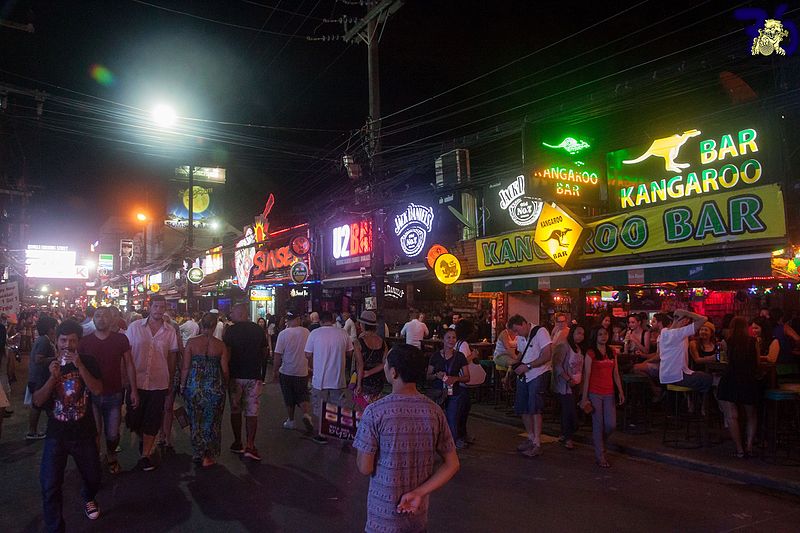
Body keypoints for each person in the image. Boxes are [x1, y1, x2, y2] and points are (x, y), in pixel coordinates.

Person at [354, 343, 459, 533]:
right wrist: (419, 492)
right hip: (417, 517)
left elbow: (364, 467)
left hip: (383, 519)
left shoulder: (375, 412)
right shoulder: (434, 411)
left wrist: (362, 437)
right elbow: (452, 464)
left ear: (393, 373)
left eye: (386, 363)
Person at [33, 320, 104, 530]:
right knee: (49, 485)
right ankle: (55, 528)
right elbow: (37, 401)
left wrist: (80, 366)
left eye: (72, 341)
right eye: (63, 340)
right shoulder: (48, 365)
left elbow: (98, 390)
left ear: (79, 342)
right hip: (56, 434)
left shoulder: (88, 361)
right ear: (56, 341)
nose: (67, 345)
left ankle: (88, 496)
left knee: (93, 477)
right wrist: (52, 379)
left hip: (84, 433)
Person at [78, 307, 138, 475]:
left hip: (114, 393)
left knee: (112, 433)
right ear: (93, 319)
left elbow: (129, 365)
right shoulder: (84, 342)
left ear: (112, 319)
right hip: (91, 394)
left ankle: (111, 455)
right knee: (94, 431)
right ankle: (95, 460)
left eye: (105, 316)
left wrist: (134, 390)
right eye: (98, 316)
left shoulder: (120, 340)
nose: (101, 319)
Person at [125, 294, 180, 472]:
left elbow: (172, 356)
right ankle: (144, 438)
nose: (158, 310)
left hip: (159, 382)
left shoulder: (169, 330)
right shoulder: (134, 327)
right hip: (137, 382)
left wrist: (171, 379)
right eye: (155, 307)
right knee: (134, 419)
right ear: (149, 307)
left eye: (162, 307)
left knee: (153, 418)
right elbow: (126, 354)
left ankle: (146, 455)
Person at [181, 312, 229, 467]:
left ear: (201, 325)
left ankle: (198, 451)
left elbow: (185, 367)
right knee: (212, 421)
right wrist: (226, 385)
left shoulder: (191, 343)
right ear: (215, 326)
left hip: (194, 386)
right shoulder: (220, 345)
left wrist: (182, 385)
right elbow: (225, 370)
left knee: (196, 420)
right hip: (215, 387)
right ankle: (208, 454)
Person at [223, 303, 267, 461]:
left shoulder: (230, 331)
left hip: (235, 376)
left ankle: (237, 442)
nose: (230, 314)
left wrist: (225, 375)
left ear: (240, 313)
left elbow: (226, 354)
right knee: (252, 411)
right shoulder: (258, 329)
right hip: (254, 375)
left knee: (235, 410)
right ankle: (250, 444)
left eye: (232, 312)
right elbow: (264, 351)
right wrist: (262, 372)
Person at [304, 310, 354, 445]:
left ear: (320, 320)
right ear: (333, 319)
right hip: (338, 379)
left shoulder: (314, 334)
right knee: (339, 407)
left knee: (320, 408)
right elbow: (350, 353)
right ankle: (343, 433)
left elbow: (307, 354)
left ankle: (322, 434)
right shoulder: (343, 333)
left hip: (319, 379)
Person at [508, 314, 552, 457]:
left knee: (535, 408)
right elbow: (521, 352)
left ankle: (537, 442)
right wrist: (513, 368)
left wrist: (528, 366)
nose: (516, 334)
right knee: (523, 407)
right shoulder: (521, 337)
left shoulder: (541, 332)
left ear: (524, 324)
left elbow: (546, 355)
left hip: (538, 374)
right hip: (524, 376)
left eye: (517, 330)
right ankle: (531, 437)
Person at [580, 326, 624, 468]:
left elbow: (616, 373)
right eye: (600, 334)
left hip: (609, 392)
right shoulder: (591, 353)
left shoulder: (612, 352)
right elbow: (586, 376)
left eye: (605, 334)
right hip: (595, 392)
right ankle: (600, 455)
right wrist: (584, 397)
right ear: (595, 336)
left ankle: (600, 443)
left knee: (611, 424)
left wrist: (620, 391)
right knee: (598, 424)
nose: (603, 337)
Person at [717, 317, 760, 458]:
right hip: (748, 380)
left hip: (731, 379)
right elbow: (757, 363)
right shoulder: (753, 342)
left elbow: (725, 361)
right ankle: (749, 446)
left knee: (732, 416)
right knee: (751, 414)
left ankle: (739, 449)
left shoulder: (726, 342)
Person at [657, 309, 713, 399]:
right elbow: (703, 319)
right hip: (676, 376)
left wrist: (681, 314)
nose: (687, 323)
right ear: (684, 320)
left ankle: (692, 404)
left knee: (700, 376)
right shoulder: (679, 333)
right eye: (687, 320)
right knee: (708, 378)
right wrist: (686, 313)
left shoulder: (664, 331)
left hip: (665, 375)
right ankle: (701, 407)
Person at [272, 310, 313, 433]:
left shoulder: (283, 334)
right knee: (303, 394)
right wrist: (311, 367)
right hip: (302, 370)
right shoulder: (307, 332)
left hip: (287, 370)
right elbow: (311, 352)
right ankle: (306, 414)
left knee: (289, 397)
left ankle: (290, 420)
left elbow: (277, 354)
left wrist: (275, 370)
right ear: (298, 319)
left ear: (288, 320)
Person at [553, 324, 585, 450]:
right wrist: (568, 379)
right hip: (565, 385)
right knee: (569, 410)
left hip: (576, 383)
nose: (581, 336)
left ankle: (565, 434)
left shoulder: (578, 348)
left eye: (582, 334)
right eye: (578, 333)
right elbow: (557, 365)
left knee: (569, 410)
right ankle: (568, 437)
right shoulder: (563, 346)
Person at [27, 315, 58, 440]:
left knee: (39, 406)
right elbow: (38, 359)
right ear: (50, 328)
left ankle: (33, 431)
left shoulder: (43, 339)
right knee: (40, 405)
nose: (56, 328)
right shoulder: (44, 341)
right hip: (39, 378)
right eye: (55, 326)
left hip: (38, 377)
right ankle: (33, 431)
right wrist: (56, 359)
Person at [354, 310, 387, 410]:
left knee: (363, 409)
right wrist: (371, 372)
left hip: (364, 381)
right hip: (378, 380)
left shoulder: (358, 342)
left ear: (363, 325)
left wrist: (359, 384)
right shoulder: (383, 342)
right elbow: (385, 363)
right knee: (376, 408)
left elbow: (360, 365)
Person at [633, 313, 671, 402]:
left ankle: (654, 390)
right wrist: (644, 356)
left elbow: (659, 356)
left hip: (664, 367)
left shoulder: (662, 336)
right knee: (637, 367)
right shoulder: (662, 335)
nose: (651, 324)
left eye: (654, 321)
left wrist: (646, 361)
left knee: (635, 368)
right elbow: (657, 354)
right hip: (664, 365)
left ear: (660, 323)